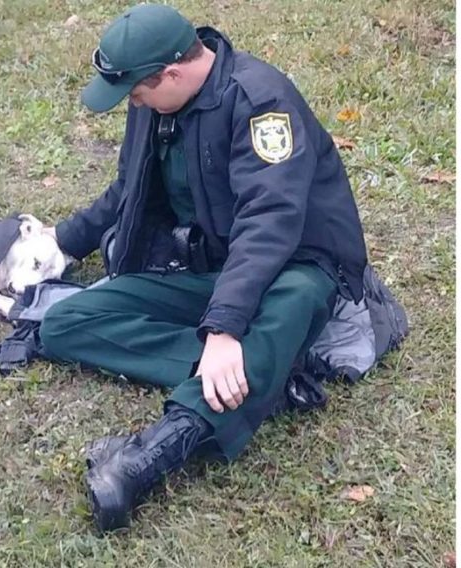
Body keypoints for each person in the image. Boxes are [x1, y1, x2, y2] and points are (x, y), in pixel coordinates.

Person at [38, 4, 369, 532]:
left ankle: (152, 455)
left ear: (170, 74)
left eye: (137, 92)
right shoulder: (155, 101)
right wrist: (65, 243)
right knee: (62, 324)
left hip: (294, 263)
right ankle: (261, 376)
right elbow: (130, 187)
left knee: (296, 298)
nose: (133, 103)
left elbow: (270, 222)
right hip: (210, 268)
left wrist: (222, 328)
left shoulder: (261, 102)